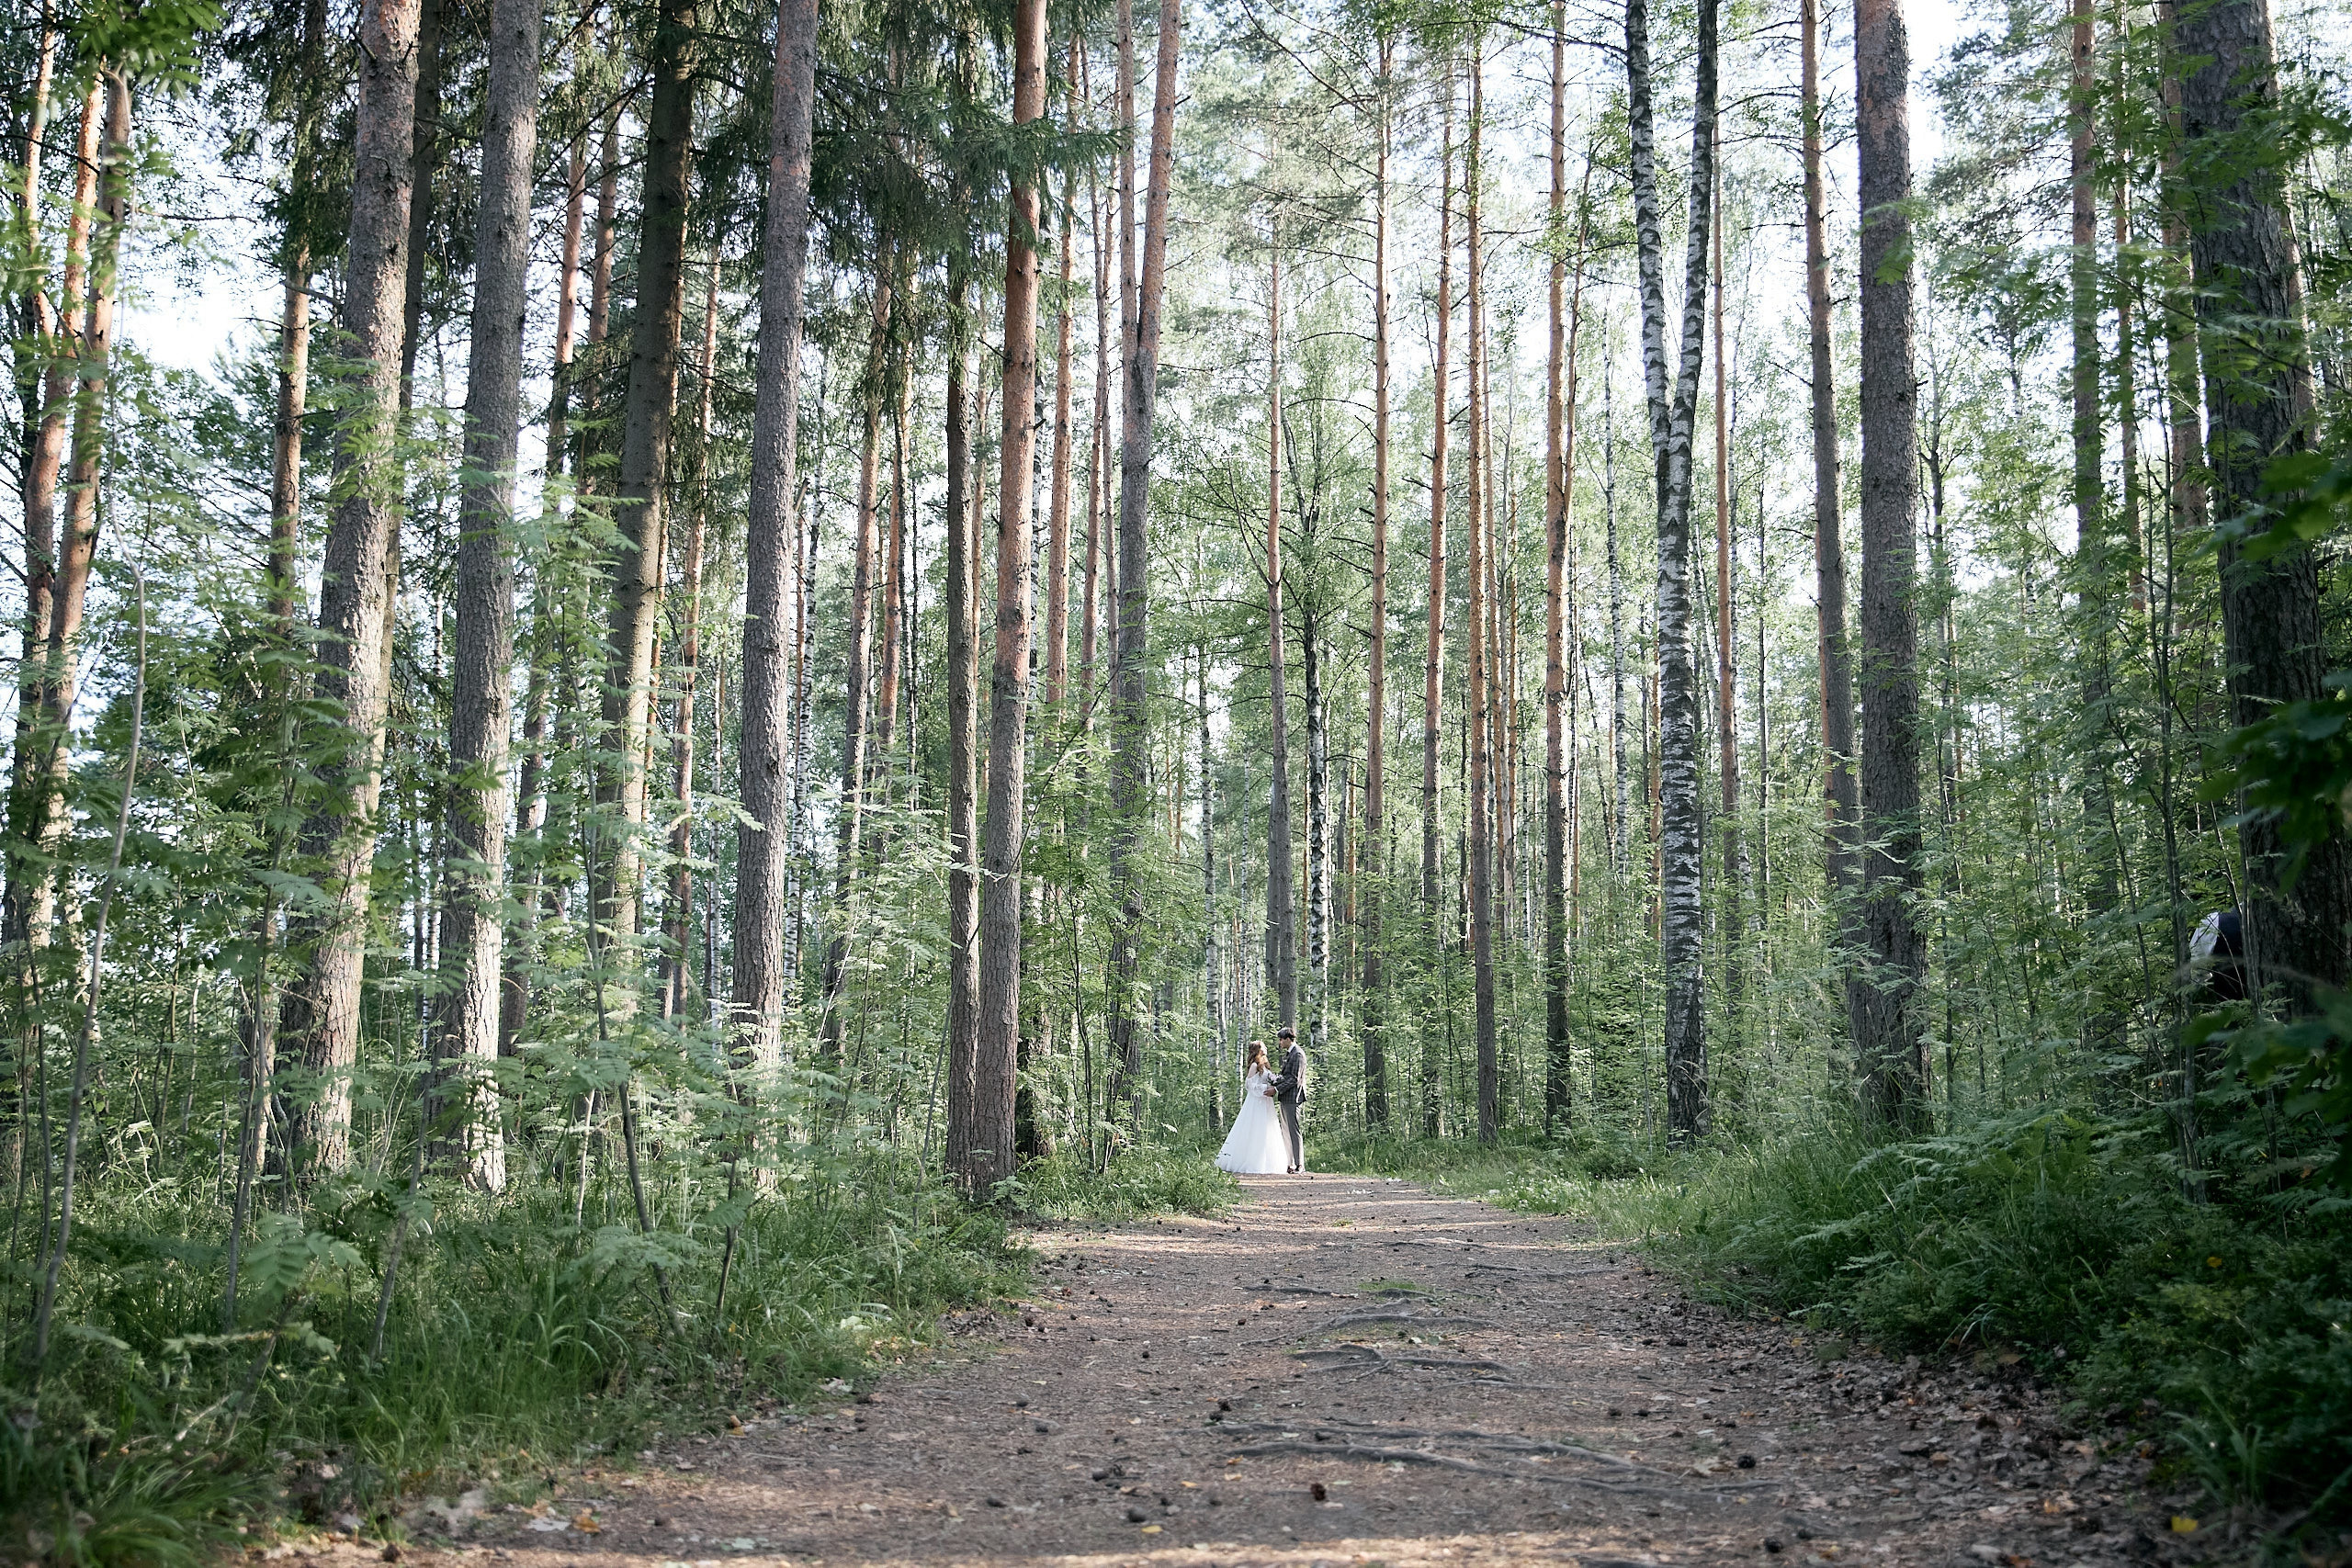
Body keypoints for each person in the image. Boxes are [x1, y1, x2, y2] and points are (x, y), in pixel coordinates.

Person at [1215, 1042, 1290, 1174]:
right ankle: (1252, 1161)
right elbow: (1249, 1085)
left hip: (1266, 1102)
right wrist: (1266, 1088)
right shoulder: (1254, 1065)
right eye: (1264, 1047)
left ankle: (1268, 1162)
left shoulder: (1264, 1065)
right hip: (1257, 1102)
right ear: (1258, 1050)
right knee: (1256, 1129)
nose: (1266, 1048)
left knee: (1268, 1129)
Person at [1268, 1026, 1307, 1175]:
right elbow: (1286, 1076)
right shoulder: (1290, 1054)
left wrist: (1276, 1089)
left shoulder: (1298, 1054)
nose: (1280, 1042)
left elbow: (1294, 1079)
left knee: (1293, 1131)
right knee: (1285, 1131)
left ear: (1288, 1039)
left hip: (1293, 1098)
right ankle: (1289, 1163)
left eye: (1281, 1039)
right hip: (1285, 1097)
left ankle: (1299, 1164)